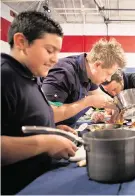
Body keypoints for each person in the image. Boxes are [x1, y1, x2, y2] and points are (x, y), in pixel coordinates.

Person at [1, 11, 77, 195]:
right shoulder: (5, 77)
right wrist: (45, 142)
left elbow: (19, 125)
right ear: (21, 42)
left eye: (57, 52)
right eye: (49, 50)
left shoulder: (29, 76)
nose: (55, 59)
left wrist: (52, 129)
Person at [42, 38, 126, 127]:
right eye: (108, 74)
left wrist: (116, 107)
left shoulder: (89, 74)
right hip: (48, 134)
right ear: (97, 65)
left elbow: (100, 95)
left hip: (67, 129)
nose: (108, 79)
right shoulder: (63, 74)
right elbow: (48, 114)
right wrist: (88, 102)